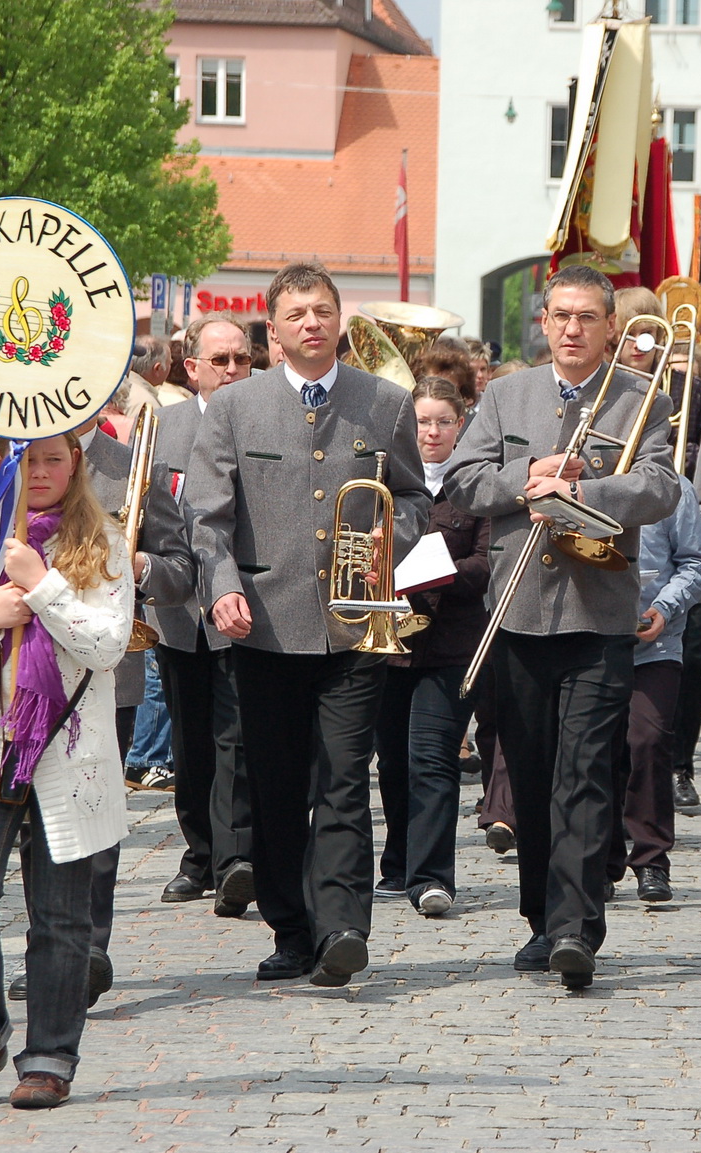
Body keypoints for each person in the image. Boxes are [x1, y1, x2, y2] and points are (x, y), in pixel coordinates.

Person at [189, 262, 430, 986]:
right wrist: (221, 588)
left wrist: (391, 540)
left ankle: (344, 925)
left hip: (354, 625)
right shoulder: (236, 407)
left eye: (322, 311)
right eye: (296, 314)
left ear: (340, 321)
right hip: (263, 626)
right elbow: (206, 516)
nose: (311, 324)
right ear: (274, 328)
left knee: (345, 778)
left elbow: (415, 498)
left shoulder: (386, 401)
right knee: (276, 784)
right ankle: (291, 928)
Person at [444, 263, 679, 990]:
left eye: (587, 317)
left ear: (612, 327)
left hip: (597, 612)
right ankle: (542, 918)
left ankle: (577, 927)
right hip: (516, 616)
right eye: (560, 315)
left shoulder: (643, 397)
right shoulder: (505, 394)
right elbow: (461, 479)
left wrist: (582, 489)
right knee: (535, 771)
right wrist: (529, 476)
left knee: (585, 772)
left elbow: (662, 485)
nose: (572, 328)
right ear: (543, 323)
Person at [0, 415, 192, 1001]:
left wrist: (133, 569)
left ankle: (80, 954)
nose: (44, 469)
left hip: (95, 682)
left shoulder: (129, 461)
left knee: (79, 841)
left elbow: (178, 568)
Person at [0, 432, 134, 1110]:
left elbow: (107, 645)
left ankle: (49, 1055)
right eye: (27, 459)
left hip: (66, 753)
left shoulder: (102, 541)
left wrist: (42, 585)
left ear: (75, 465)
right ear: (1, 464)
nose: (40, 471)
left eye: (54, 458)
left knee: (61, 915)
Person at [149, 313, 256, 915]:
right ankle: (199, 854)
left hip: (240, 603)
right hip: (178, 606)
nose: (234, 370)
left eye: (242, 358)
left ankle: (235, 858)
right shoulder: (164, 426)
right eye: (221, 360)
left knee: (235, 737)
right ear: (191, 368)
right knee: (189, 744)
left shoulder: (262, 417)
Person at [372, 377, 490, 915]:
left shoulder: (474, 483)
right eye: (422, 421)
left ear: (460, 425)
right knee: (392, 761)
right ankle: (397, 864)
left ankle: (432, 876)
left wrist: (431, 570)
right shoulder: (384, 478)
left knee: (432, 757)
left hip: (450, 645)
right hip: (388, 640)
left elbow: (489, 564)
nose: (432, 431)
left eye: (444, 421)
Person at [607, 469, 701, 903]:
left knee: (648, 741)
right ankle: (601, 859)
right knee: (596, 750)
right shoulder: (574, 479)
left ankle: (651, 860)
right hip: (591, 640)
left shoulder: (675, 487)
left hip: (655, 643)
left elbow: (695, 562)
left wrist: (665, 608)